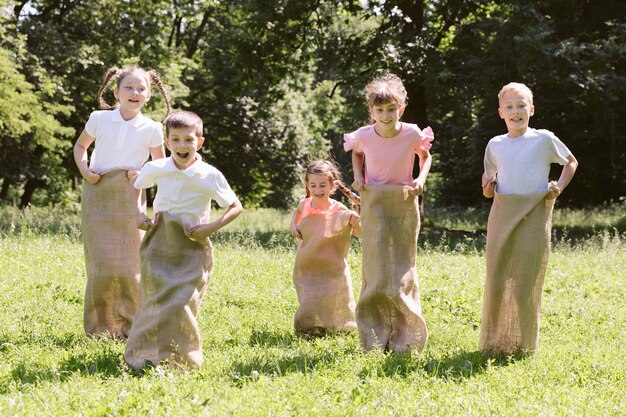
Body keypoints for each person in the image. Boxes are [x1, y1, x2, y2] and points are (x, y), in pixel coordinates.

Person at [125, 110, 242, 371]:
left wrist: (210, 227)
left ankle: (183, 359)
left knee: (181, 302)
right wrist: (138, 213)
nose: (182, 146)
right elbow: (137, 186)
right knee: (154, 299)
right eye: (175, 139)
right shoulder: (157, 168)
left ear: (199, 143)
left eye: (188, 140)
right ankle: (143, 356)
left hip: (192, 244)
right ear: (166, 143)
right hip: (159, 241)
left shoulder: (209, 174)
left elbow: (235, 206)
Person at [479, 82, 578, 355]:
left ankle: (524, 344)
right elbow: (487, 187)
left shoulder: (543, 139)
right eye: (509, 107)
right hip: (503, 214)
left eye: (521, 105)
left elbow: (571, 162)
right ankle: (495, 342)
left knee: (526, 280)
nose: (516, 111)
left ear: (531, 109)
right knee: (499, 278)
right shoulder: (495, 145)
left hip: (534, 214)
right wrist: (488, 187)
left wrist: (558, 186)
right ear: (500, 113)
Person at [73, 66, 171, 339]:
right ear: (116, 92)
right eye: (129, 87)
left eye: (141, 88)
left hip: (131, 196)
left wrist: (143, 174)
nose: (135, 92)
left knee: (129, 268)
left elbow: (160, 166)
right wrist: (85, 170)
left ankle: (130, 325)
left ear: (149, 95)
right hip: (98, 194)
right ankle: (100, 327)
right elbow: (80, 147)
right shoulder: (99, 119)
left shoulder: (152, 128)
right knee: (101, 266)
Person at [343, 72, 433, 353]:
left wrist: (420, 179)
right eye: (379, 110)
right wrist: (359, 176)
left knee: (402, 267)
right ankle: (375, 329)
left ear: (401, 109)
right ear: (371, 111)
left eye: (391, 109)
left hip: (403, 200)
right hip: (374, 201)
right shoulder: (363, 136)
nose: (385, 115)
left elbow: (425, 155)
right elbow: (356, 152)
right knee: (377, 265)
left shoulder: (411, 133)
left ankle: (406, 331)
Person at [289, 160, 361, 337]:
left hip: (332, 263)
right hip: (308, 262)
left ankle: (340, 326)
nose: (317, 190)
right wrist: (293, 226)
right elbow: (296, 215)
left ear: (333, 186)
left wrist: (356, 221)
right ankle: (310, 327)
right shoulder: (304, 204)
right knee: (309, 296)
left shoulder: (339, 209)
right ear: (307, 185)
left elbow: (358, 234)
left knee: (336, 293)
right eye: (313, 185)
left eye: (323, 185)